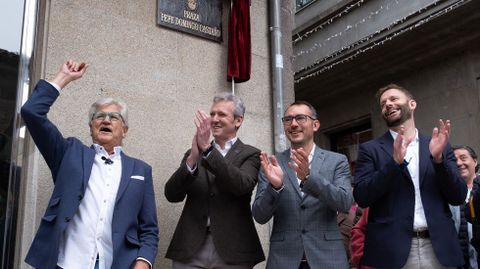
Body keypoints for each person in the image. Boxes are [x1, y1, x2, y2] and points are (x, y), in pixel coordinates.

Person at [21, 60, 159, 269]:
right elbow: (32, 112)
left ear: (125, 129)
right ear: (91, 126)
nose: (105, 120)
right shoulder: (69, 154)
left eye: (114, 117)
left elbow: (149, 229)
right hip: (67, 263)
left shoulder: (141, 170)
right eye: (99, 116)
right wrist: (63, 78)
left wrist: (144, 262)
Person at [353, 83, 467, 268]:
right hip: (392, 251)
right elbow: (362, 197)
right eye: (383, 103)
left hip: (439, 248)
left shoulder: (438, 145)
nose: (388, 104)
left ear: (412, 104)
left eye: (394, 99)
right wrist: (394, 164)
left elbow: (458, 196)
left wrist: (439, 161)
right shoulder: (370, 150)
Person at [164, 93, 264, 269]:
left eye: (222, 115)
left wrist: (209, 151)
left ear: (238, 121)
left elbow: (242, 185)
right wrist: (193, 158)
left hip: (234, 249)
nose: (214, 119)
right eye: (212, 114)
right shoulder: (193, 154)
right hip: (190, 246)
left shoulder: (252, 154)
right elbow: (172, 195)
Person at [252, 101, 353, 269]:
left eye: (300, 118)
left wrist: (309, 178)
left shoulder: (337, 161)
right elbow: (260, 216)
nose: (293, 124)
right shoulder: (272, 164)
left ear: (315, 124)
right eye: (288, 119)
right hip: (284, 259)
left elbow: (344, 202)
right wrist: (275, 188)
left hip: (328, 258)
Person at [454, 145, 480, 268]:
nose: (459, 163)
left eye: (463, 158)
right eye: (454, 160)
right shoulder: (447, 193)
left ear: (475, 161)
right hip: (459, 260)